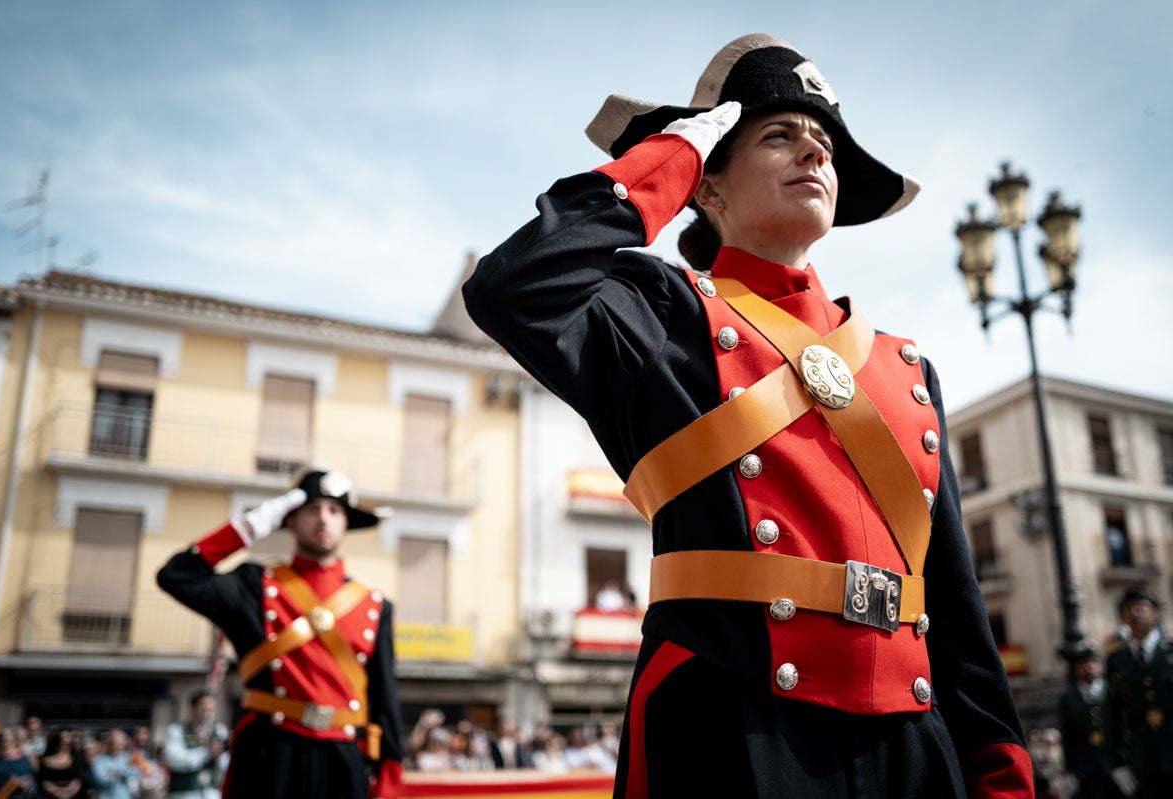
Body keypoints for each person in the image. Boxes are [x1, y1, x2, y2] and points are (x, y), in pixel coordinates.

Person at [463, 33, 1032, 798]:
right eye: (779, 135)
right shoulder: (658, 314)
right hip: (730, 731)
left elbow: (955, 611)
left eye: (824, 143)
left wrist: (1001, 775)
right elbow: (514, 286)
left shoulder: (906, 367)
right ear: (710, 185)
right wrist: (671, 157)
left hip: (911, 742)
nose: (814, 155)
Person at [156, 467, 405, 799]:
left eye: (334, 511)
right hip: (267, 751)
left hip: (342, 757)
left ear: (346, 523)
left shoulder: (374, 605)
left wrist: (389, 774)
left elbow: (385, 698)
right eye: (311, 509)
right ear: (288, 519)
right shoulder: (254, 586)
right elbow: (177, 576)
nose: (323, 519)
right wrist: (252, 525)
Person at [1105, 587, 1173, 797]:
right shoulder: (1116, 660)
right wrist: (1117, 762)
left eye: (1142, 608)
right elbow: (1113, 713)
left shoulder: (1170, 651)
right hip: (1142, 754)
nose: (1136, 613)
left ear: (1155, 614)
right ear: (1123, 618)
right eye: (1129, 609)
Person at [1059, 649, 1113, 799]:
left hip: (1113, 763)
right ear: (1077, 668)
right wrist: (1070, 770)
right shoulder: (1068, 697)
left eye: (1094, 662)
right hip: (1086, 768)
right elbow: (1067, 735)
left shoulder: (1111, 691)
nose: (1089, 667)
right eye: (1083, 663)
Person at [162, 690, 229, 799]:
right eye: (203, 708)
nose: (207, 712)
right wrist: (206, 753)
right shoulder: (177, 731)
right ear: (192, 709)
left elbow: (227, 765)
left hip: (211, 794)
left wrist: (219, 757)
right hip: (184, 794)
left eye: (211, 709)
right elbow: (174, 760)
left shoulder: (219, 733)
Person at [90, 729, 141, 799]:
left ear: (124, 743)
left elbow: (136, 773)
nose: (116, 747)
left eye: (119, 744)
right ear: (109, 743)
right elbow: (101, 779)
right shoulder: (99, 760)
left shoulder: (130, 758)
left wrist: (115, 773)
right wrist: (122, 774)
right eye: (113, 743)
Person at [37, 729, 85, 799]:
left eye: (68, 737)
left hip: (74, 795)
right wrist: (58, 793)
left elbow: (79, 780)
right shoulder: (44, 760)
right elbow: (43, 781)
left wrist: (68, 793)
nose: (66, 741)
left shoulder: (77, 758)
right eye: (62, 738)